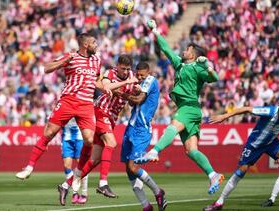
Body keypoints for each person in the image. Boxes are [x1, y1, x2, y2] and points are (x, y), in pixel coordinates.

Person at [134, 20, 224, 195]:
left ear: (193, 54)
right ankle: (213, 174)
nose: (184, 50)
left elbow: (215, 79)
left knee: (173, 125)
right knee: (191, 150)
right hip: (189, 108)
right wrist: (155, 31)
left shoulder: (198, 67)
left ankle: (154, 151)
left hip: (189, 107)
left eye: (187, 49)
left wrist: (208, 66)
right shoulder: (180, 64)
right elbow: (166, 49)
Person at [15, 32, 112, 181]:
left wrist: (105, 87)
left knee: (89, 139)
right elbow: (47, 68)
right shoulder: (71, 57)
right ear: (85, 45)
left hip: (86, 103)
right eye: (94, 42)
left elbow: (95, 81)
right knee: (48, 133)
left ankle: (78, 172)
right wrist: (64, 61)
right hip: (68, 100)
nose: (96, 45)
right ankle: (28, 168)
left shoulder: (96, 60)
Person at [203, 95, 279, 211]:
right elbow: (247, 109)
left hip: (272, 143)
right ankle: (219, 202)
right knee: (240, 173)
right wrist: (224, 116)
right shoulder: (270, 111)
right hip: (254, 145)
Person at [58, 55, 138, 201]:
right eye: (123, 69)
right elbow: (106, 87)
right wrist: (126, 82)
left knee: (94, 159)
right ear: (117, 66)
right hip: (101, 112)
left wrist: (135, 92)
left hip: (112, 118)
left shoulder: (132, 77)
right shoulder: (110, 73)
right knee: (112, 143)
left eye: (128, 69)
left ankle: (65, 185)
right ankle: (103, 183)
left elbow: (131, 102)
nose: (126, 72)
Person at [120, 62, 167, 211]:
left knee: (133, 167)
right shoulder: (141, 84)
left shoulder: (151, 80)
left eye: (142, 75)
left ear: (149, 72)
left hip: (142, 130)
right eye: (138, 74)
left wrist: (121, 93)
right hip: (131, 128)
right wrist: (132, 93)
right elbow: (133, 104)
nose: (139, 77)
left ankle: (158, 192)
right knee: (128, 168)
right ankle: (146, 206)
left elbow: (138, 100)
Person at [61, 118, 88, 204]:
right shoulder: (60, 105)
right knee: (67, 166)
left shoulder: (80, 105)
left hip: (79, 137)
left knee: (81, 165)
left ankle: (84, 193)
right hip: (66, 137)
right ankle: (75, 193)